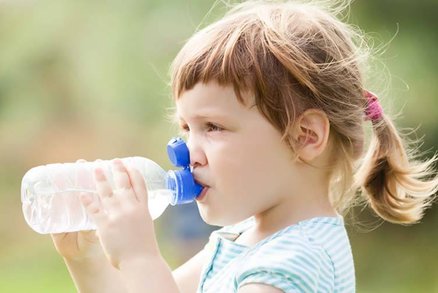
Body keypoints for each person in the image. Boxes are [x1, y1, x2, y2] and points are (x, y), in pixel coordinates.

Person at [51, 1, 438, 292]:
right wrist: (89, 261)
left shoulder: (294, 265)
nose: (188, 153)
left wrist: (138, 257)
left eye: (213, 127)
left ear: (306, 137)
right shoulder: (242, 239)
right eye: (187, 128)